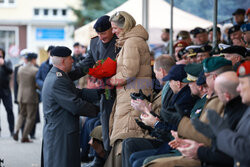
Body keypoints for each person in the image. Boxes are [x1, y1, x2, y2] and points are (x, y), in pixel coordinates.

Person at [103, 11, 152, 167]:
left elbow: (128, 72)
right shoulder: (133, 41)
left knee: (125, 135)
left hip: (131, 96)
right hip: (133, 94)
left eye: (115, 28)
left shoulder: (131, 42)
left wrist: (110, 80)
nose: (113, 31)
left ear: (125, 26)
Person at [41, 46, 99, 167]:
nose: (72, 61)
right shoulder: (58, 80)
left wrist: (98, 93)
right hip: (60, 134)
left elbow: (77, 93)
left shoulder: (59, 76)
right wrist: (99, 110)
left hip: (61, 131)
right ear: (63, 61)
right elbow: (75, 105)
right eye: (69, 58)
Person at [13, 53, 39, 143]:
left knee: (21, 114)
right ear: (33, 60)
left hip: (21, 95)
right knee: (30, 117)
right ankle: (24, 137)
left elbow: (18, 81)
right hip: (31, 96)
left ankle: (16, 130)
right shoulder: (35, 70)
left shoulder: (20, 69)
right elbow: (37, 84)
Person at [0, 48, 14, 136]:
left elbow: (10, 71)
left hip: (6, 91)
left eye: (1, 54)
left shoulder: (7, 62)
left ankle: (12, 130)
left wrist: (3, 64)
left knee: (9, 110)